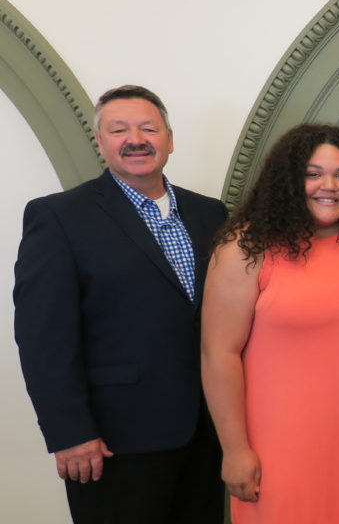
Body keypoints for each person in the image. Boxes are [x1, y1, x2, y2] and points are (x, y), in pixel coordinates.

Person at [13, 85, 227, 523]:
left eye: (149, 128)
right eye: (119, 129)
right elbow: (42, 338)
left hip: (207, 433)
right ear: (100, 142)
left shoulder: (211, 214)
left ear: (169, 139)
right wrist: (69, 432)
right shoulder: (58, 217)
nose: (136, 139)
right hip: (112, 440)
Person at [201, 123, 339, 523]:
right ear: (289, 181)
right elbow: (218, 354)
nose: (329, 185)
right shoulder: (245, 247)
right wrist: (235, 449)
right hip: (279, 451)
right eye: (313, 174)